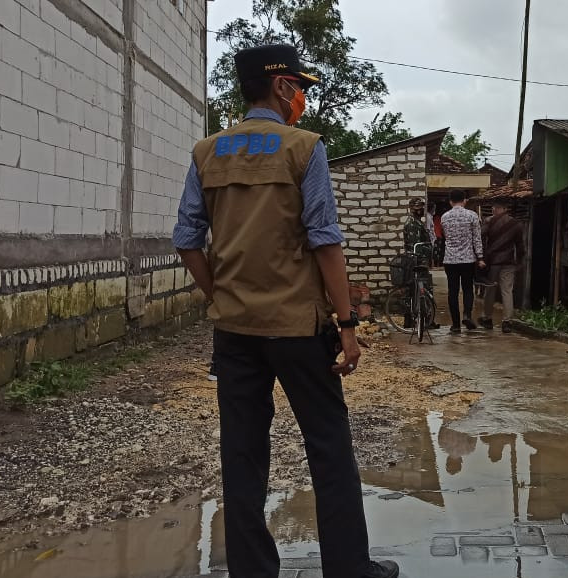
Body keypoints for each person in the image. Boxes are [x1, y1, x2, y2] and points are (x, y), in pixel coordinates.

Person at [172, 44, 398, 578]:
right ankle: (349, 569)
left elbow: (186, 238)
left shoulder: (207, 152)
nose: (300, 96)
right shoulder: (303, 148)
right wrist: (347, 325)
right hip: (298, 329)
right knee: (328, 448)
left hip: (235, 332)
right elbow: (324, 240)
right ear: (279, 87)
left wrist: (218, 296)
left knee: (242, 455)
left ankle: (252, 571)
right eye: (298, 85)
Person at [440, 190, 486, 333]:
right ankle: (467, 314)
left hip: (450, 260)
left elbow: (445, 237)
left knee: (452, 291)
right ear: (465, 200)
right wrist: (480, 257)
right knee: (467, 289)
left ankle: (455, 325)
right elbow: (477, 239)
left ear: (450, 201)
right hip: (467, 259)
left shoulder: (444, 217)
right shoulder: (472, 216)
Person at [479, 203, 525, 332]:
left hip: (492, 262)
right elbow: (520, 245)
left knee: (490, 291)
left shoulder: (488, 221)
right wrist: (520, 261)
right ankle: (507, 322)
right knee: (507, 291)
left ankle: (487, 319)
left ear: (505, 209)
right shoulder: (516, 224)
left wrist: (480, 256)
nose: (494, 209)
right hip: (508, 262)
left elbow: (480, 237)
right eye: (493, 207)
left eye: (497, 207)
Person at [403, 198, 438, 330]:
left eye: (422, 207)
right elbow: (415, 246)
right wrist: (428, 250)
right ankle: (426, 320)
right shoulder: (412, 224)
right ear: (412, 209)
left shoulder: (416, 222)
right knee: (423, 289)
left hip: (417, 260)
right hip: (416, 261)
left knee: (414, 291)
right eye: (418, 208)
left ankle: (421, 319)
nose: (421, 210)